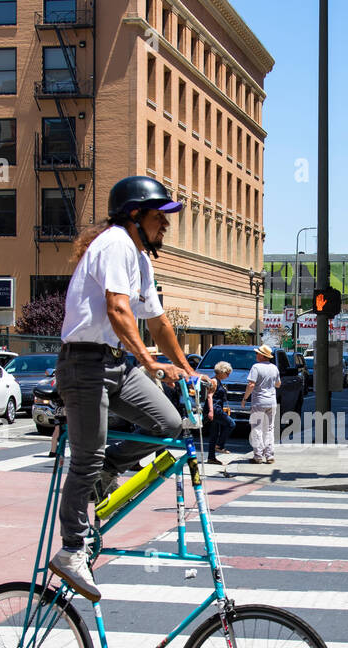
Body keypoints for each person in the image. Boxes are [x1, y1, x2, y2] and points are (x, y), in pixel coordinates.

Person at [49, 175, 204, 603]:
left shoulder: (140, 258)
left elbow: (159, 323)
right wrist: (151, 361)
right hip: (84, 364)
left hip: (116, 363)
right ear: (135, 215)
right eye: (160, 217)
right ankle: (71, 551)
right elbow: (118, 310)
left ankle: (106, 470)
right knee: (86, 455)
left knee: (170, 424)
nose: (165, 226)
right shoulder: (116, 243)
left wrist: (188, 370)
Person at [241, 344, 279, 463]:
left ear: (262, 356)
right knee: (269, 428)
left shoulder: (256, 367)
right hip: (272, 401)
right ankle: (269, 455)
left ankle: (258, 456)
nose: (256, 355)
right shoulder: (274, 368)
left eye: (257, 353)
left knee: (257, 428)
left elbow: (251, 384)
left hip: (259, 401)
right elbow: (278, 384)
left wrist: (245, 398)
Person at [205, 360, 234, 465]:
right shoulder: (214, 381)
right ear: (221, 372)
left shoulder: (218, 381)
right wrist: (211, 411)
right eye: (227, 373)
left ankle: (211, 457)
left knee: (214, 434)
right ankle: (220, 445)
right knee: (231, 424)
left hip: (218, 408)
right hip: (215, 409)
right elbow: (209, 396)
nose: (228, 375)